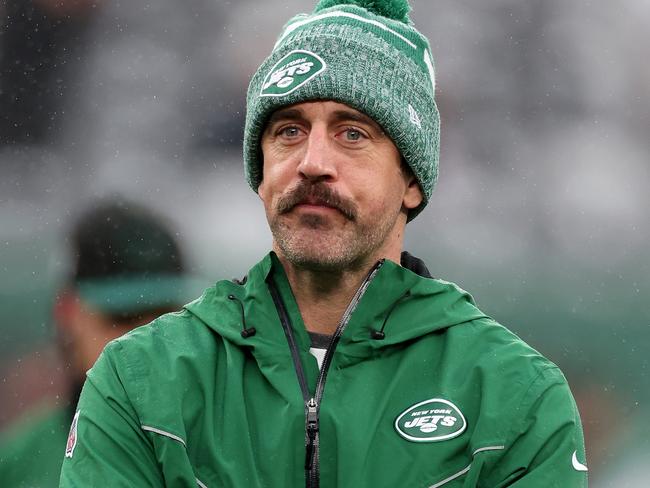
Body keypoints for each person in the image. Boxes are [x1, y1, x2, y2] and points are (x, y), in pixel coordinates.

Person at [60, 1, 588, 487]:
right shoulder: (140, 381)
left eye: (352, 133)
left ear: (412, 181)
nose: (313, 161)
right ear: (260, 172)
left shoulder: (515, 397)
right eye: (288, 130)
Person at [0, 198, 192, 487]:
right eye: (123, 317)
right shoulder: (16, 468)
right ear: (66, 311)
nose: (147, 339)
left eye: (166, 317)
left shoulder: (234, 443)